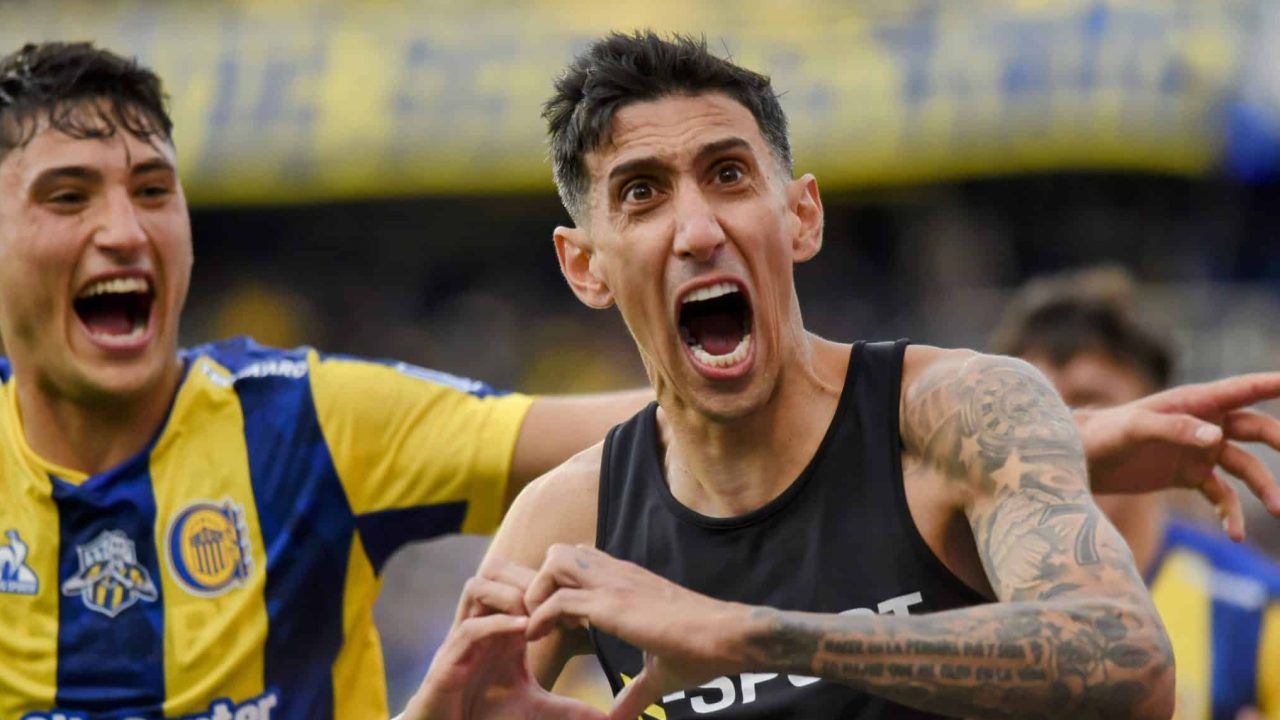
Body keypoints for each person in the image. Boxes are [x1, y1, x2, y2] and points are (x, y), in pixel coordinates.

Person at [406, 32, 1280, 720]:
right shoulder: (572, 521)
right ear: (584, 266)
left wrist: (748, 635)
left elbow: (1129, 661)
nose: (698, 230)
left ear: (801, 216)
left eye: (728, 175)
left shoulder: (956, 410)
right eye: (642, 193)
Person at [0, 42, 654, 720]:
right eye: (68, 197)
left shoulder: (306, 422)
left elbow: (667, 434)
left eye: (152, 191)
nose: (125, 232)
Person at [992, 267, 1280, 720]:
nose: (1065, 434)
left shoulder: (1254, 609)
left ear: (1162, 420)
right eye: (1037, 407)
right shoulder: (958, 604)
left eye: (1090, 403)